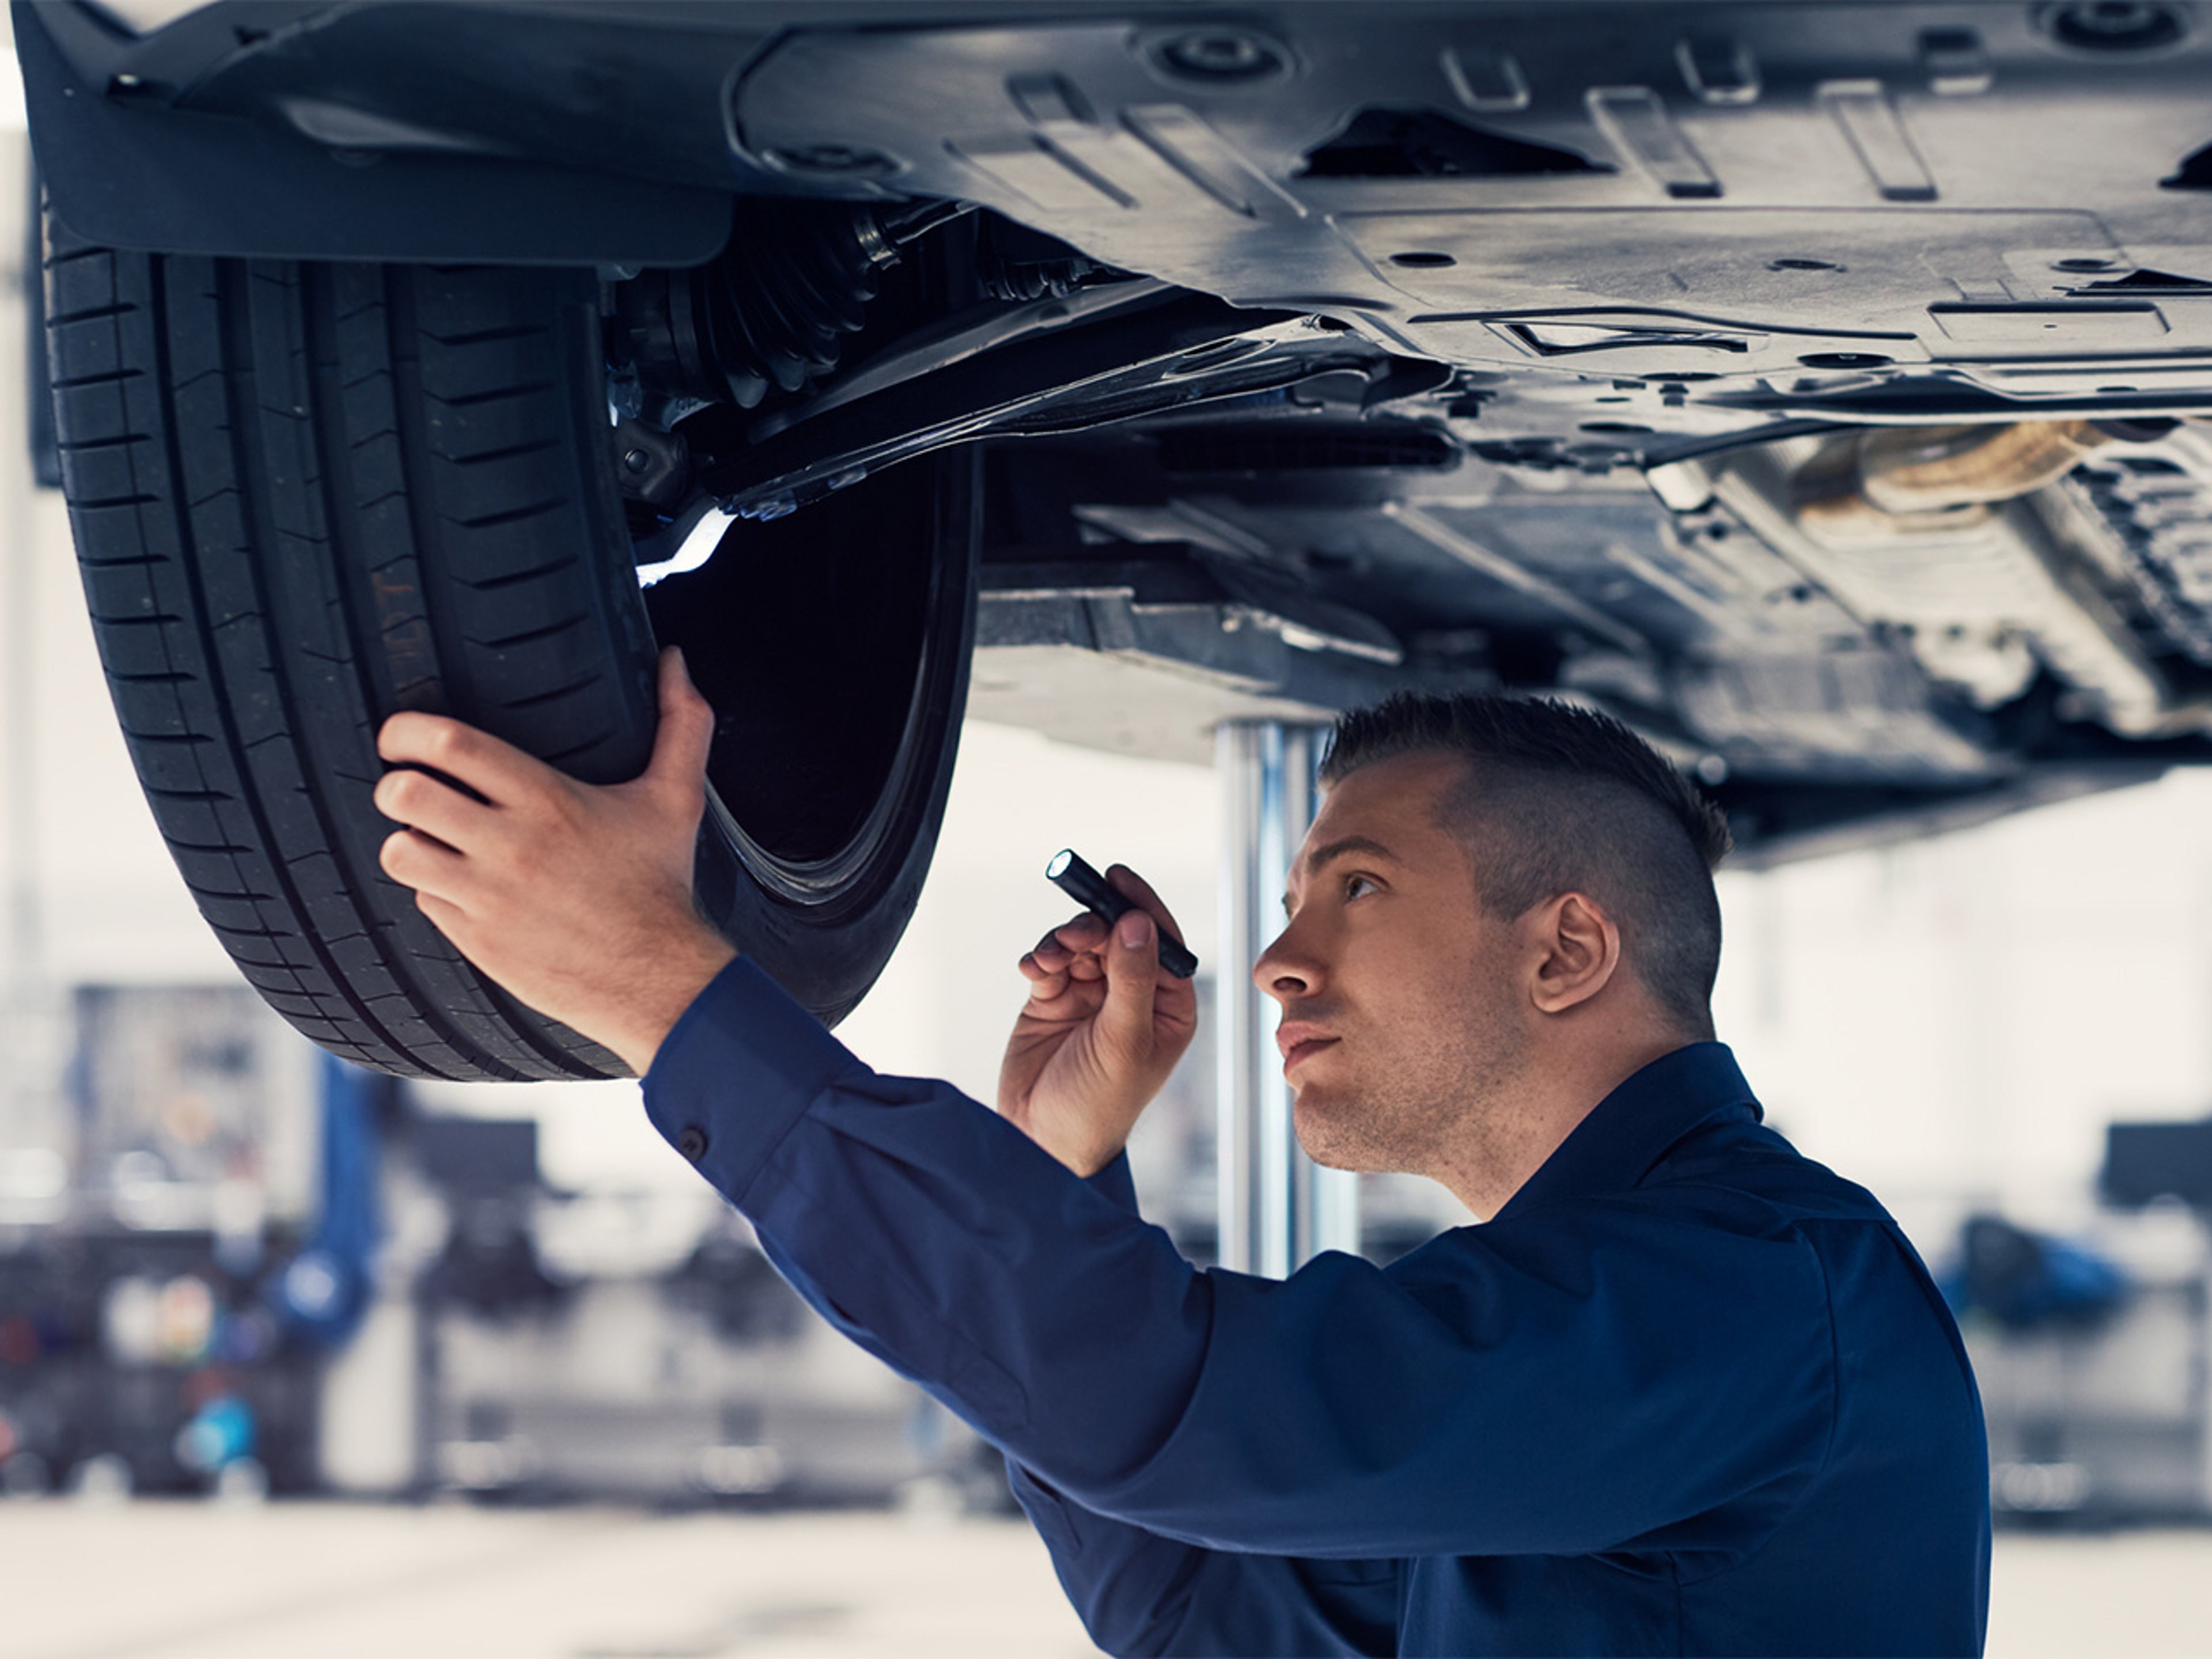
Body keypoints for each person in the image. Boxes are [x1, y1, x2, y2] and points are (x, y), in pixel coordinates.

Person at [372, 647, 1990, 1657]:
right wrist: (1070, 1165)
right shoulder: (1604, 1327)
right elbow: (1210, 1620)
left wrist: (664, 989)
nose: (1280, 959)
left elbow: (1172, 1407)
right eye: (1291, 904)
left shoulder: (1745, 1302)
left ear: (1567, 951)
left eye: (1354, 889)